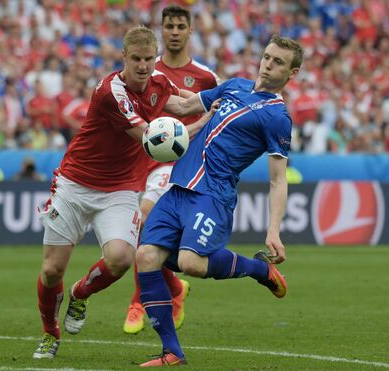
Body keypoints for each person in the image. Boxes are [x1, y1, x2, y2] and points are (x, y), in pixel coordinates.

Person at [32, 25, 218, 359]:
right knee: (50, 270)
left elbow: (176, 104)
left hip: (119, 188)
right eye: (137, 59)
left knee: (119, 259)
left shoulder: (159, 82)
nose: (144, 66)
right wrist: (202, 124)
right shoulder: (110, 92)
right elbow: (153, 140)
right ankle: (50, 332)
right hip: (75, 184)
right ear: (124, 57)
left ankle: (80, 294)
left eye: (149, 58)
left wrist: (215, 102)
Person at [135, 34, 304, 366]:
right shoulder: (234, 86)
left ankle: (259, 270)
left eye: (279, 61)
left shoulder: (277, 117)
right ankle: (172, 352)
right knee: (144, 256)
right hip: (179, 186)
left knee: (190, 264)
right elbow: (183, 104)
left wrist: (273, 230)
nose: (269, 63)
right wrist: (140, 86)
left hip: (212, 195)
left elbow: (277, 178)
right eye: (268, 56)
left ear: (292, 73)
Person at [123, 4, 220, 335]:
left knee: (148, 222)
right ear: (162, 30)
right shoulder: (147, 70)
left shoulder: (207, 77)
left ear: (190, 30)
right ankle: (173, 290)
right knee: (143, 227)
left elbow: (215, 119)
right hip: (149, 162)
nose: (175, 31)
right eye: (170, 26)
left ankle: (141, 300)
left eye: (181, 26)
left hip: (186, 166)